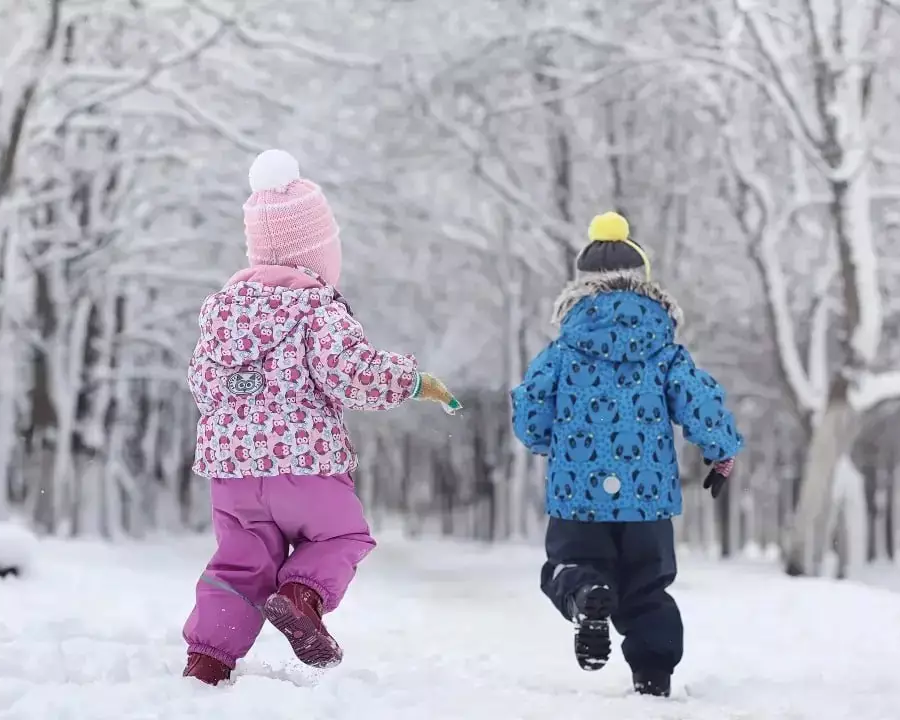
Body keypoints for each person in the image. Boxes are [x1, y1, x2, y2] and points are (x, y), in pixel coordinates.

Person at [181, 149, 460, 686]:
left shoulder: (219, 314)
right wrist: (412, 380)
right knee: (341, 536)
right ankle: (300, 596)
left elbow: (203, 384)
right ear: (317, 254)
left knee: (239, 563)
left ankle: (208, 660)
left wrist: (245, 409)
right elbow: (352, 373)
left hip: (234, 474)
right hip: (304, 464)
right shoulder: (317, 308)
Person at [510, 211, 742, 697]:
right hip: (647, 499)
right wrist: (721, 452)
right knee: (646, 589)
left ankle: (585, 592)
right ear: (645, 282)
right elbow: (698, 401)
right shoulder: (665, 349)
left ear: (581, 286)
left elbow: (531, 407)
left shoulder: (563, 350)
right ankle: (653, 674)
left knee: (568, 565)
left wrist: (547, 441)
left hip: (578, 496)